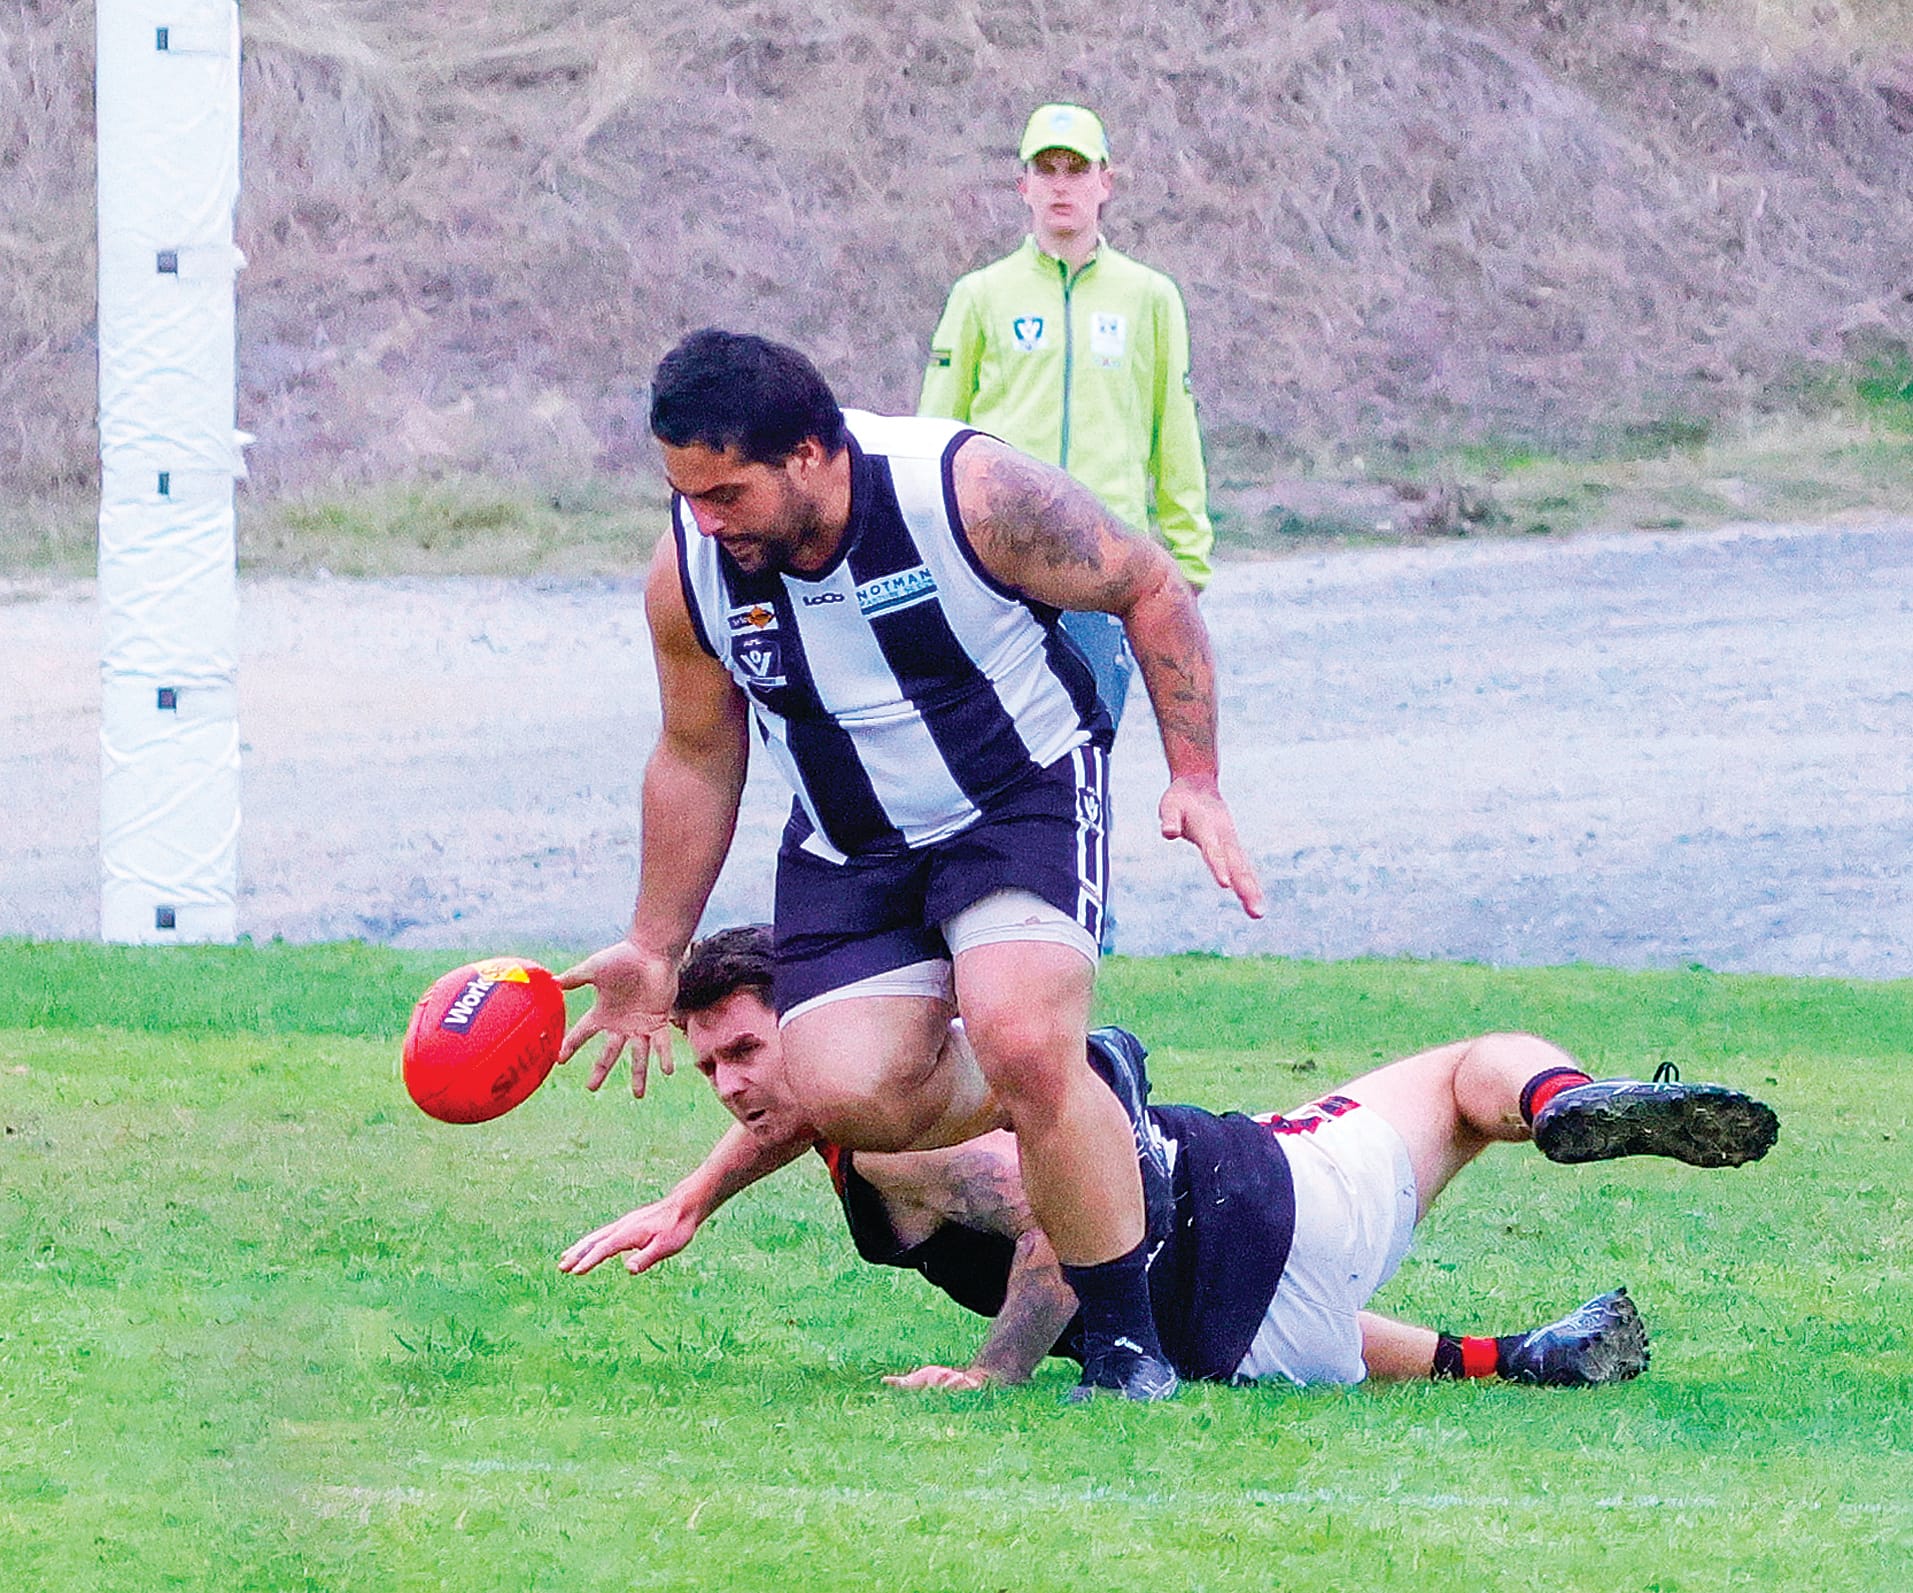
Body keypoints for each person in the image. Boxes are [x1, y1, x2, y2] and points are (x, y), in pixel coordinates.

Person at [557, 329, 1263, 1401]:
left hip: (1012, 792)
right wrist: (655, 946)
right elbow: (698, 755)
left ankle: (1125, 1350)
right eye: (684, 494)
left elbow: (1148, 584)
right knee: (849, 1094)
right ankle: (1082, 1078)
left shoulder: (964, 493)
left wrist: (1194, 778)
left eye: (724, 492)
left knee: (1023, 1035)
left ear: (806, 452)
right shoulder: (692, 570)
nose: (703, 520)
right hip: (852, 839)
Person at [563, 926, 1781, 1392]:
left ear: (822, 1025)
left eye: (742, 1051)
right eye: (710, 1061)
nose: (728, 1083)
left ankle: (1504, 1350)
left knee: (1231, 1291)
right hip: (1270, 1237)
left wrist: (993, 1373)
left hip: (1233, 1332)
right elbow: (801, 1119)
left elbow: (1043, 1228)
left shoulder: (888, 1137)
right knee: (1471, 1075)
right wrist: (692, 1197)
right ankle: (1557, 1106)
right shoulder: (885, 1107)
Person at [918, 102, 1214, 736]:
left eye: (1076, 169)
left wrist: (1186, 563)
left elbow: (1175, 431)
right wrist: (925, 551)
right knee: (987, 752)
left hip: (1104, 562)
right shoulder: (979, 296)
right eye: (1045, 169)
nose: (1061, 184)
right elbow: (934, 434)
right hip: (993, 564)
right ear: (1022, 185)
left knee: (1087, 742)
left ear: (1105, 181)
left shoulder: (1151, 297)